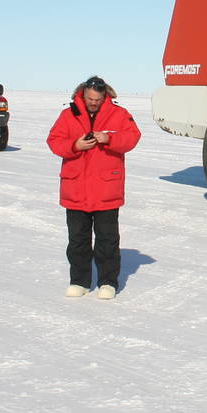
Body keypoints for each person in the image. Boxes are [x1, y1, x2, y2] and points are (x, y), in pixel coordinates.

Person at [46, 76, 141, 300]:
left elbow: (132, 137)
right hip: (76, 187)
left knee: (107, 239)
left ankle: (108, 282)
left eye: (97, 99)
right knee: (77, 239)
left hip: (106, 189)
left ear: (105, 95)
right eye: (90, 98)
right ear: (82, 94)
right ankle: (79, 281)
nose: (93, 103)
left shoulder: (119, 114)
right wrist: (75, 145)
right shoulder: (68, 114)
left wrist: (108, 139)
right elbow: (54, 140)